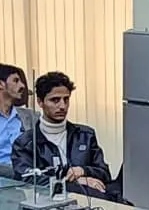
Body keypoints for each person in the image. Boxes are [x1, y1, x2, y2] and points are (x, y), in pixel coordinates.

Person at [10, 71, 116, 199]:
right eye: (55, 100)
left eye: (66, 99)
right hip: (47, 209)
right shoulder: (25, 143)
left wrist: (82, 171)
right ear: (40, 102)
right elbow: (27, 180)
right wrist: (72, 182)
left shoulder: (85, 135)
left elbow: (105, 173)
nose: (62, 106)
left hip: (91, 206)